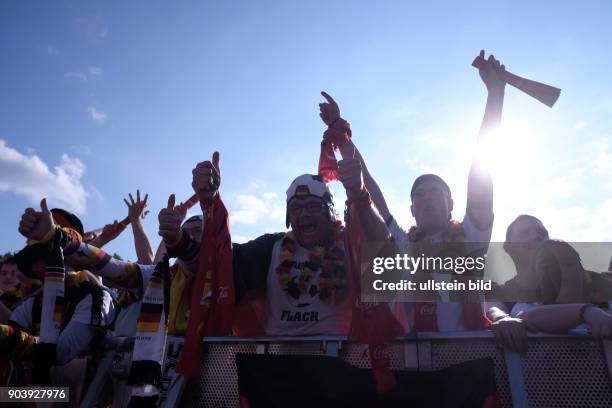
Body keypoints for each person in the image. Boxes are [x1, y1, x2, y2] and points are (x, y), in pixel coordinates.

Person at [346, 50, 504, 333]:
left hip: (471, 361)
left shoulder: (471, 235)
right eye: (419, 195)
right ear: (412, 211)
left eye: (434, 192)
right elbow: (368, 187)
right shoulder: (405, 245)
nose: (426, 197)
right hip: (416, 366)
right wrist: (342, 134)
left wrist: (495, 95)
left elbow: (481, 170)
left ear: (452, 204)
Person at [489, 214, 612, 340]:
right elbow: (491, 304)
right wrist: (501, 317)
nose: (537, 236)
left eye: (542, 233)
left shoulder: (595, 281)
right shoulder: (506, 293)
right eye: (525, 233)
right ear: (508, 247)